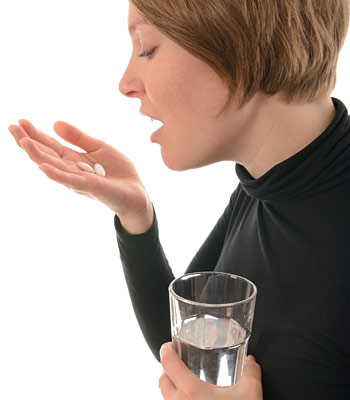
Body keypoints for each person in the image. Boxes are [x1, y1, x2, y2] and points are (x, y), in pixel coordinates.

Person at [8, 0, 350, 398]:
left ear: (242, 44)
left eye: (148, 49)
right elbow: (184, 342)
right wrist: (136, 218)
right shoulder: (265, 188)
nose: (126, 82)